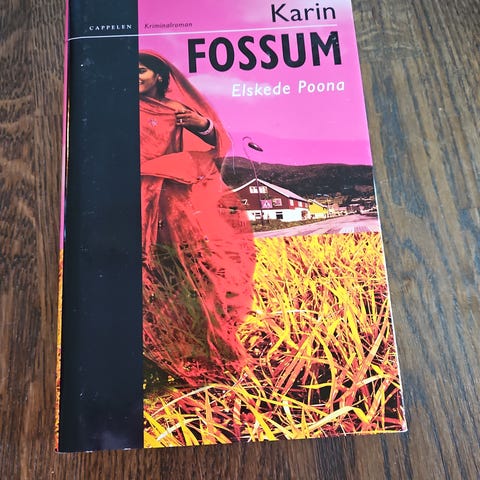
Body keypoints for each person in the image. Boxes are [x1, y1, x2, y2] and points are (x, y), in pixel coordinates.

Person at [138, 51, 255, 385]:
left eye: (141, 70)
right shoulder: (119, 108)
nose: (134, 77)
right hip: (136, 197)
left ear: (160, 76)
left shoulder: (177, 110)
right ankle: (155, 355)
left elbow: (215, 141)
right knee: (148, 272)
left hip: (174, 202)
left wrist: (201, 125)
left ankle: (206, 350)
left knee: (191, 269)